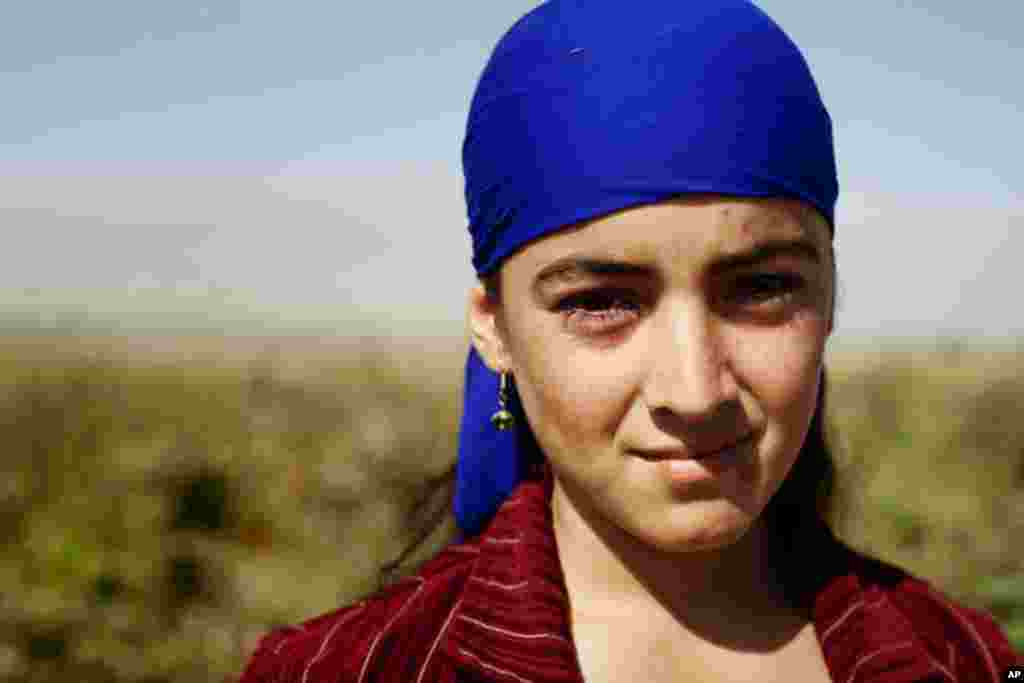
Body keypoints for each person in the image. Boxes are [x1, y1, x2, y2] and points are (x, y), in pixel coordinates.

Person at [238, 1, 1020, 681]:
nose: (694, 387)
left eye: (760, 287)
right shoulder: (341, 669)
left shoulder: (968, 659)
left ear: (829, 296)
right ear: (495, 327)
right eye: (602, 301)